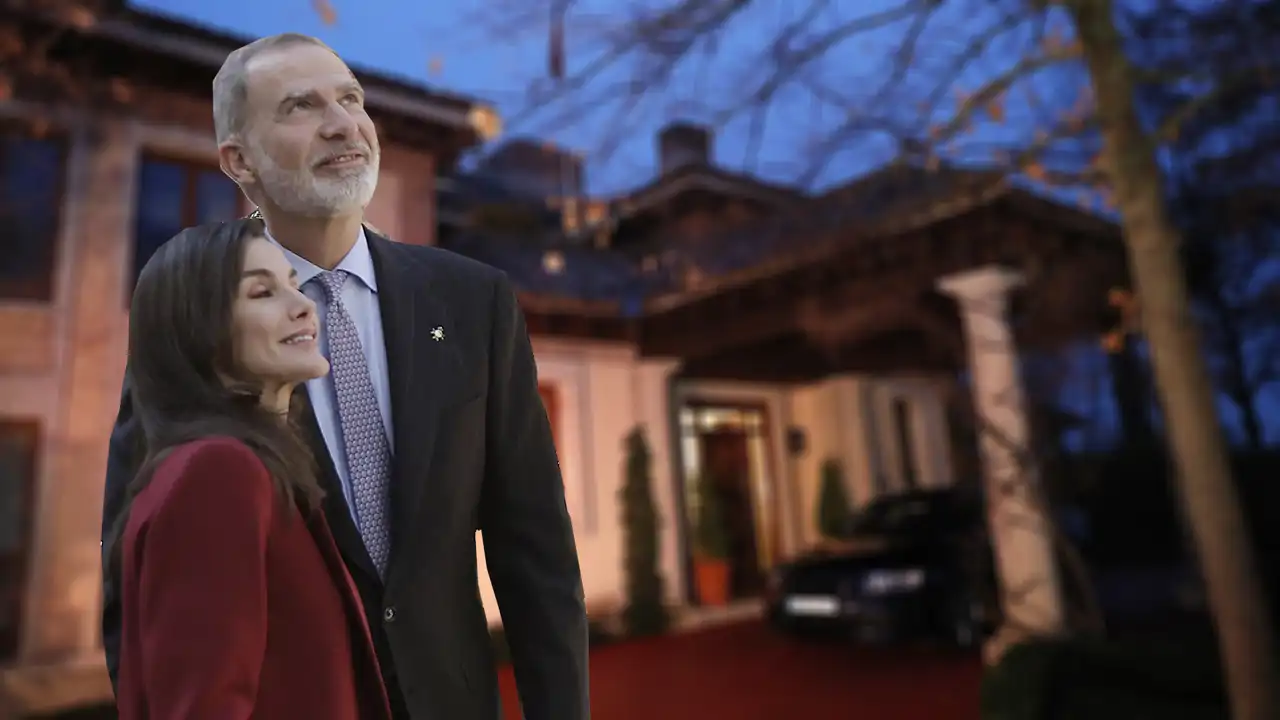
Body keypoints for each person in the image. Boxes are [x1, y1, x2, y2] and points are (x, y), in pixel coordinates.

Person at [99, 33, 589, 720]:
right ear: (240, 161)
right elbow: (133, 590)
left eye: (351, 99)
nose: (342, 124)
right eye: (300, 106)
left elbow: (535, 551)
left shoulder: (473, 303)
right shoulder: (196, 330)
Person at [108, 219, 391, 720]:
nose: (304, 304)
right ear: (198, 330)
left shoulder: (245, 466)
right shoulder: (216, 474)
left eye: (292, 283)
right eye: (263, 292)